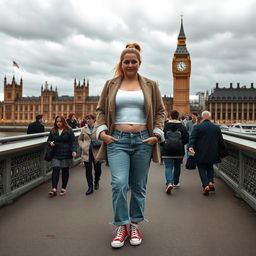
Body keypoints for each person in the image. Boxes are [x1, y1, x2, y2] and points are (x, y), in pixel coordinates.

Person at [95, 43, 165, 248]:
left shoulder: (151, 85)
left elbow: (160, 112)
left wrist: (157, 134)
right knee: (118, 184)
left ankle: (134, 223)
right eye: (126, 61)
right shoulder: (111, 84)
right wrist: (103, 133)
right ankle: (121, 225)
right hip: (117, 140)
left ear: (139, 63)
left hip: (144, 140)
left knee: (139, 186)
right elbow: (100, 110)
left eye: (133, 61)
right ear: (121, 63)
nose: (130, 64)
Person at [188, 111, 228, 196]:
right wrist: (223, 153)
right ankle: (210, 182)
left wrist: (190, 146)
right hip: (213, 151)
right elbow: (221, 141)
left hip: (200, 151)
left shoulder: (197, 127)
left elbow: (192, 138)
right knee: (210, 166)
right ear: (210, 118)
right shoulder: (216, 127)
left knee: (201, 168)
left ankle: (205, 185)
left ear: (202, 118)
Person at [47, 116, 77, 197]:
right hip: (55, 153)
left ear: (63, 122)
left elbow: (73, 141)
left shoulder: (69, 130)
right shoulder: (53, 130)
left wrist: (74, 150)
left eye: (60, 121)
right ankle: (54, 188)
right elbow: (48, 140)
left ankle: (63, 188)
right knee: (55, 169)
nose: (58, 123)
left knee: (65, 170)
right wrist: (50, 143)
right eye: (57, 122)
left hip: (66, 153)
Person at [161, 110, 189, 193]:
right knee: (177, 167)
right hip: (179, 151)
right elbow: (186, 139)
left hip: (167, 151)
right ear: (178, 117)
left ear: (170, 116)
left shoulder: (165, 126)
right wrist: (180, 144)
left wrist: (164, 145)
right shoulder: (182, 127)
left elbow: (160, 137)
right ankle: (176, 182)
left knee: (168, 167)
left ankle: (169, 182)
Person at [78, 114, 102, 195]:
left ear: (94, 119)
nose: (88, 121)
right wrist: (82, 146)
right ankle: (90, 187)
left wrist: (100, 143)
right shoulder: (83, 129)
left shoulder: (98, 128)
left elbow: (103, 138)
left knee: (97, 169)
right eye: (87, 119)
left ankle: (96, 181)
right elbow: (80, 139)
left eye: (89, 119)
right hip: (86, 152)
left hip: (97, 152)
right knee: (88, 170)